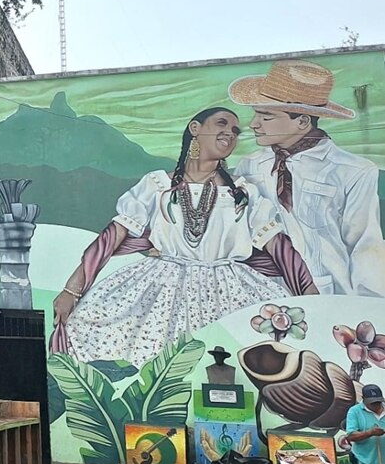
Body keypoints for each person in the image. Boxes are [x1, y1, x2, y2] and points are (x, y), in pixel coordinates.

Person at [51, 108, 317, 366]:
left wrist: (311, 296)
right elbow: (112, 237)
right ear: (195, 129)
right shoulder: (157, 185)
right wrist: (71, 290)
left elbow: (279, 246)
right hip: (163, 287)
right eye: (222, 124)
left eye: (236, 131)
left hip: (228, 288)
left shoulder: (243, 191)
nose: (230, 134)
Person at [230, 59, 385, 296]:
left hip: (330, 295)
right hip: (259, 293)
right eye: (255, 114)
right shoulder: (249, 165)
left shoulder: (353, 170)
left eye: (266, 116)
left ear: (302, 121)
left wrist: (371, 308)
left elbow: (365, 245)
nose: (253, 124)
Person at [347, 383, 385, 464]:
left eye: (378, 402)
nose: (376, 405)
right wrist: (370, 433)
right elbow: (351, 436)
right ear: (363, 399)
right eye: (372, 403)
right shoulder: (354, 411)